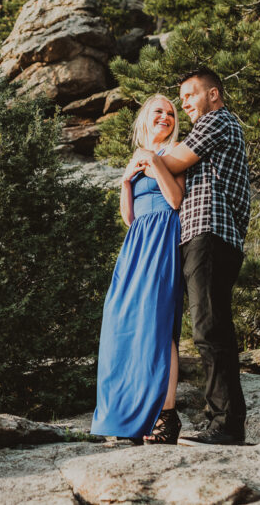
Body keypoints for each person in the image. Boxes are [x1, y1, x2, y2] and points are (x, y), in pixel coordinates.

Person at [140, 67, 251, 445]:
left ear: (213, 95)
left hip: (212, 232)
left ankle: (225, 425)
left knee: (209, 327)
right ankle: (223, 420)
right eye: (182, 96)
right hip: (199, 236)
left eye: (190, 94)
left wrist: (146, 158)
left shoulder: (217, 121)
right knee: (208, 326)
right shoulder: (207, 127)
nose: (184, 102)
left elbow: (169, 164)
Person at [91, 94, 186, 444]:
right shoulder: (138, 156)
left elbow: (175, 200)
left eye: (171, 113)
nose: (166, 116)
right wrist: (126, 180)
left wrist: (153, 162)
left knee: (157, 324)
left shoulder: (174, 152)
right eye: (159, 111)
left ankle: (166, 416)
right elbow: (129, 218)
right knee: (120, 321)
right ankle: (129, 418)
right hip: (138, 239)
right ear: (145, 117)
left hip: (163, 234)